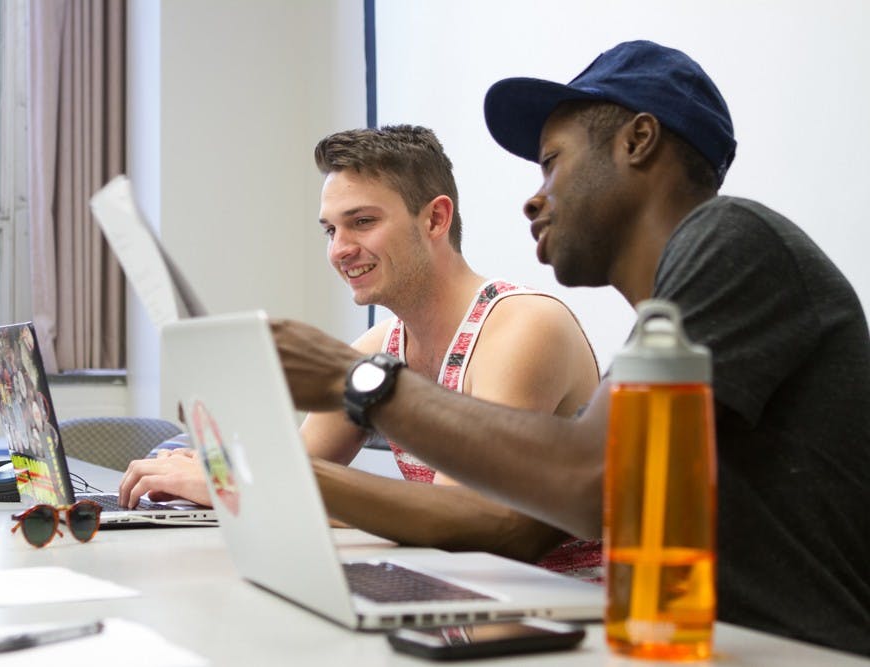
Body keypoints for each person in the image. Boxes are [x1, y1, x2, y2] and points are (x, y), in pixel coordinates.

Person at [269, 41, 870, 655]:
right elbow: (523, 524)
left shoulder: (735, 239)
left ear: (638, 141)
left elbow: (591, 481)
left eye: (552, 162)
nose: (533, 198)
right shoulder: (661, 327)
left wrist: (360, 382)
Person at [120, 125, 603, 575]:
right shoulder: (380, 345)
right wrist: (222, 475)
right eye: (331, 230)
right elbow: (298, 472)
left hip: (565, 613)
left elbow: (462, 521)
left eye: (362, 222)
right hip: (465, 589)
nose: (339, 249)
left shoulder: (524, 327)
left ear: (436, 218)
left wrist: (240, 483)